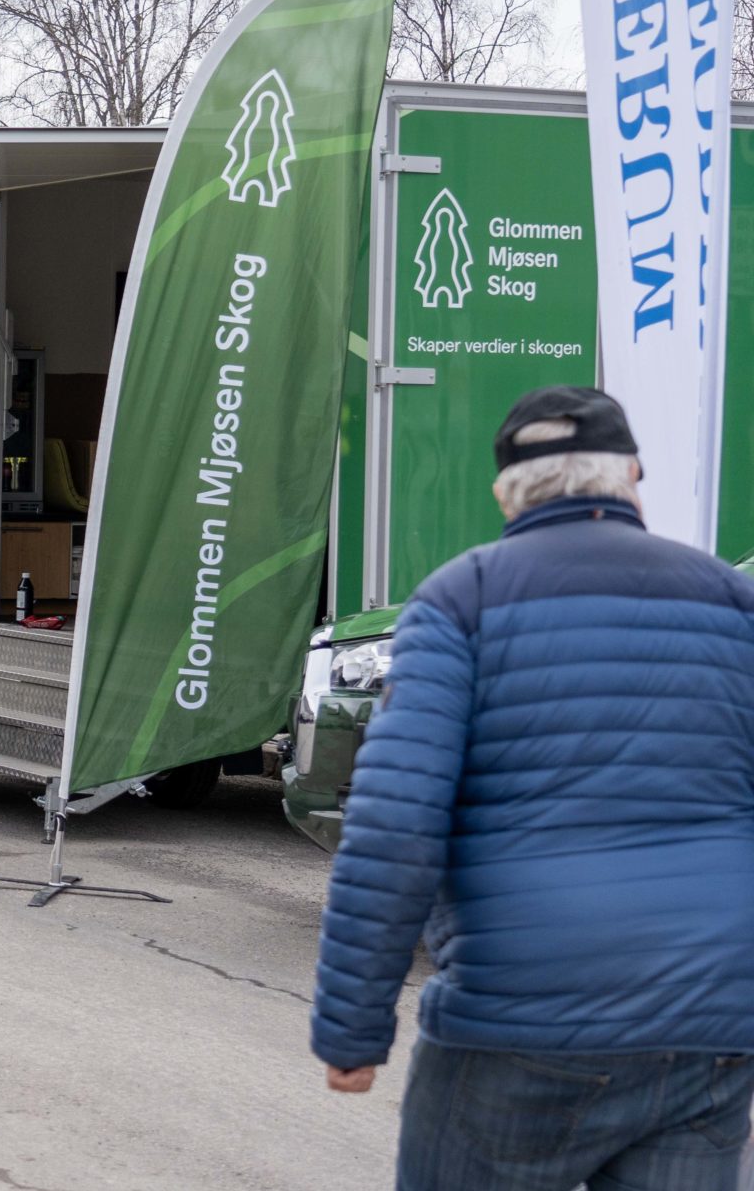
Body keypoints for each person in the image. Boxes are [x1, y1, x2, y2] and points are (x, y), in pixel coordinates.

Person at [313, 388, 754, 1188]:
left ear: (504, 492)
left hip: (520, 1018)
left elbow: (394, 828)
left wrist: (352, 1027)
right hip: (707, 1022)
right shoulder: (732, 601)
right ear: (632, 475)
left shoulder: (461, 600)